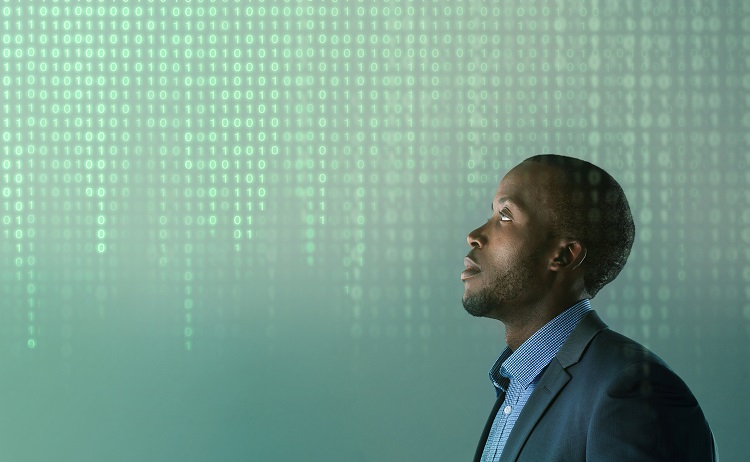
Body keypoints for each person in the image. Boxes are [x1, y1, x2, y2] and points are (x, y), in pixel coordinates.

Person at [461, 154, 717, 461]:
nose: (474, 236)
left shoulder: (633, 391)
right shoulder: (515, 387)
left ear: (564, 256)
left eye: (505, 216)